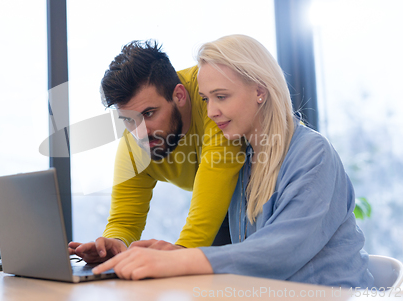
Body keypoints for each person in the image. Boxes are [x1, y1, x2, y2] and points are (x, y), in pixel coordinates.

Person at [92, 34, 374, 288]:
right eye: (204, 100)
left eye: (221, 97)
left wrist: (178, 259)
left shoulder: (313, 154)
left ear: (260, 91)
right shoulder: (246, 166)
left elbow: (279, 252)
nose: (212, 112)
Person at [69, 41, 244, 263]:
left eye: (149, 113)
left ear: (179, 96)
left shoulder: (211, 101)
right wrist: (112, 245)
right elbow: (124, 221)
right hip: (224, 210)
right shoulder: (135, 143)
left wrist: (180, 252)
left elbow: (219, 170)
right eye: (129, 119)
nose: (140, 132)